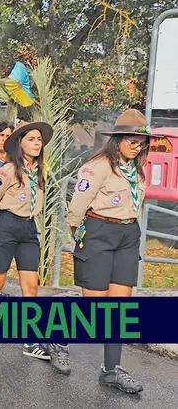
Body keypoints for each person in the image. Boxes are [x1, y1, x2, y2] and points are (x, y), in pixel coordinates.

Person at [59, 109, 152, 393]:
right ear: (117, 140)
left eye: (141, 142)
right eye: (132, 141)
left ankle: (111, 370)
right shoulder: (98, 166)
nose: (137, 147)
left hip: (127, 235)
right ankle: (58, 339)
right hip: (98, 231)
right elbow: (77, 206)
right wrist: (79, 234)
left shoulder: (136, 167)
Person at [0, 121, 52, 356]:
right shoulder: (8, 170)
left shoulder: (40, 170)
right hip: (7, 224)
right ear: (20, 143)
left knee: (31, 287)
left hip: (29, 229)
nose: (37, 143)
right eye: (31, 139)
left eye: (39, 140)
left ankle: (31, 341)